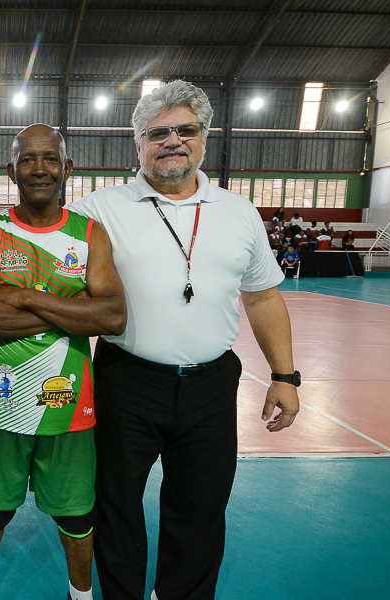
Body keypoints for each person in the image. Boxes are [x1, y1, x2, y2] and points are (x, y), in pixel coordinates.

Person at [64, 80, 300, 600]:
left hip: (211, 385)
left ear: (204, 138)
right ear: (139, 145)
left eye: (185, 131)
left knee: (200, 507)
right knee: (115, 502)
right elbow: (37, 242)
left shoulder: (239, 213)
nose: (172, 141)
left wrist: (284, 375)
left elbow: (262, 297)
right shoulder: (99, 209)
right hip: (126, 380)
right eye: (158, 133)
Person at [0, 124, 127, 600]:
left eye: (49, 158)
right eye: (27, 160)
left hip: (69, 405)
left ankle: (80, 594)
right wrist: (71, 312)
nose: (39, 169)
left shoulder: (89, 233)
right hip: (0, 403)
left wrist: (24, 296)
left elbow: (112, 315)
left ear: (67, 168)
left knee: (76, 513)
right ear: (11, 170)